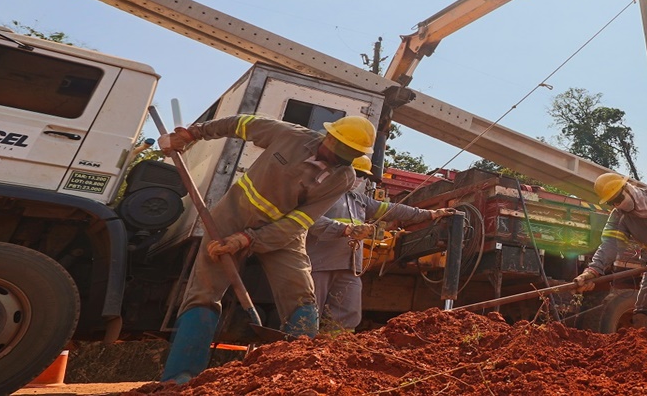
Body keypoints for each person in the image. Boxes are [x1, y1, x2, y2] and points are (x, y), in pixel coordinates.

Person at [158, 114, 376, 383]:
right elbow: (239, 124)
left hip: (282, 234)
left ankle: (294, 377)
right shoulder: (290, 136)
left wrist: (249, 240)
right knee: (204, 292)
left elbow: (300, 221)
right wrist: (192, 134)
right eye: (341, 150)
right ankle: (182, 377)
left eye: (352, 154)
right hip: (231, 217)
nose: (342, 159)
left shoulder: (342, 177)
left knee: (301, 295)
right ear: (329, 137)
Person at [306, 156, 456, 333]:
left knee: (347, 315)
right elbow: (309, 221)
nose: (360, 180)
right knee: (309, 313)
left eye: (364, 176)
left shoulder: (359, 200)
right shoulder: (320, 193)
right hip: (320, 264)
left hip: (350, 267)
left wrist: (430, 214)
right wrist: (346, 229)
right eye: (358, 173)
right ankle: (299, 350)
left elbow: (394, 210)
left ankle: (333, 351)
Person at [572, 172, 647, 338]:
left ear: (627, 188)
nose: (618, 205)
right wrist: (592, 271)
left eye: (619, 199)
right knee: (646, 313)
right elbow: (611, 245)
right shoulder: (620, 216)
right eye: (612, 203)